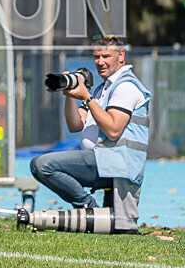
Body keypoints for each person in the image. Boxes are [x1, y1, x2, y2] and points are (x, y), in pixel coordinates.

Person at [30, 36, 151, 234]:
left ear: (121, 55)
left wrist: (87, 97)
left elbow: (113, 130)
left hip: (115, 162)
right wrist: (69, 95)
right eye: (96, 56)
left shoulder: (125, 86)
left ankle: (89, 208)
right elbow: (75, 125)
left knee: (42, 165)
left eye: (106, 56)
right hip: (103, 160)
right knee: (115, 230)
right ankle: (91, 211)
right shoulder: (103, 88)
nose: (100, 61)